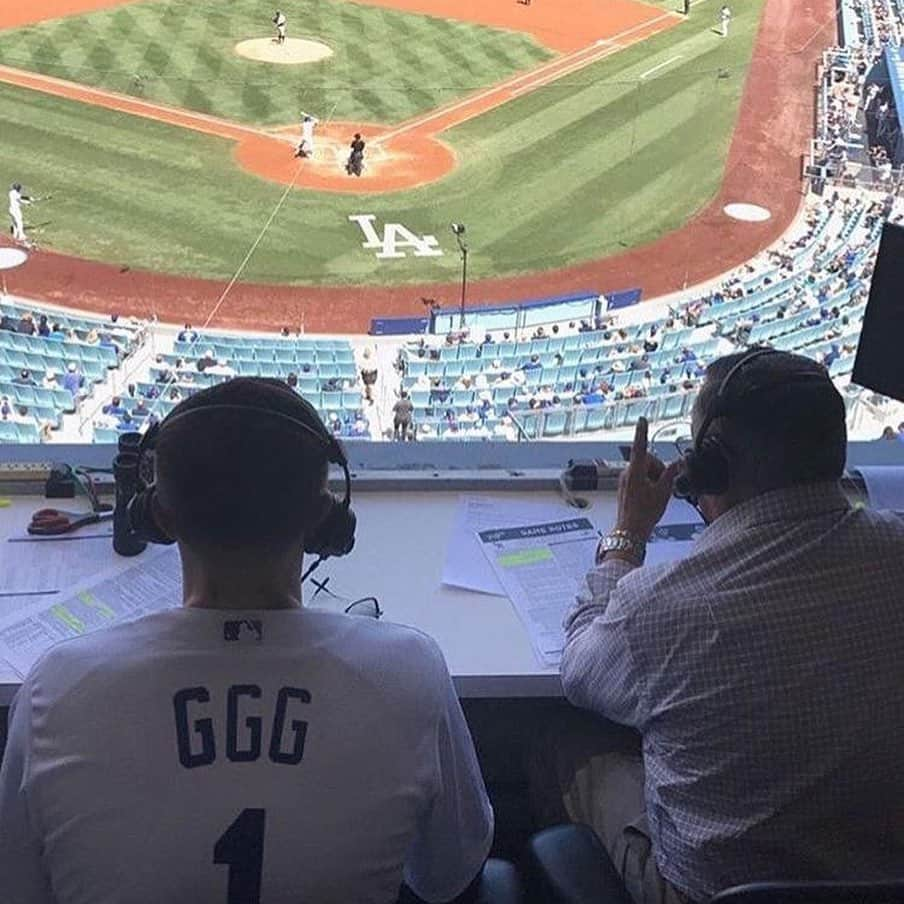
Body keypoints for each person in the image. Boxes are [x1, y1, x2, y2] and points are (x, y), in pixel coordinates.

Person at [0, 378, 493, 903]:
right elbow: (447, 875)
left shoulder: (56, 691)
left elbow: (18, 887)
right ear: (325, 516)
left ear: (158, 517)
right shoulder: (411, 673)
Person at [533, 349, 904, 904]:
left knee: (558, 741)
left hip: (707, 892)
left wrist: (626, 537)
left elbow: (580, 668)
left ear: (710, 468)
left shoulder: (660, 607)